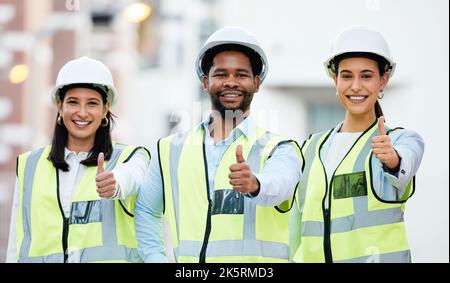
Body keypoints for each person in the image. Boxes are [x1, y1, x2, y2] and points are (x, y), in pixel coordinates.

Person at [135, 27, 302, 263]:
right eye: (221, 74)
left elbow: (280, 184)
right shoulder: (170, 149)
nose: (231, 82)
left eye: (241, 75)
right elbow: (146, 211)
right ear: (206, 82)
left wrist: (255, 184)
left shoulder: (280, 149)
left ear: (256, 83)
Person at [290, 26, 424, 263]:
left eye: (366, 76)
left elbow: (404, 165)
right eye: (347, 76)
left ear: (383, 80)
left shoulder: (402, 141)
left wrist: (392, 160)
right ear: (335, 80)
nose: (355, 86)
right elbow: (295, 228)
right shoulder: (311, 147)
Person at [6, 56, 150, 263]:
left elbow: (133, 176)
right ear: (59, 106)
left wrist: (116, 183)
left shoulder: (130, 158)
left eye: (92, 103)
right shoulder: (29, 165)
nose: (82, 112)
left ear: (105, 109)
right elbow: (15, 244)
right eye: (73, 102)